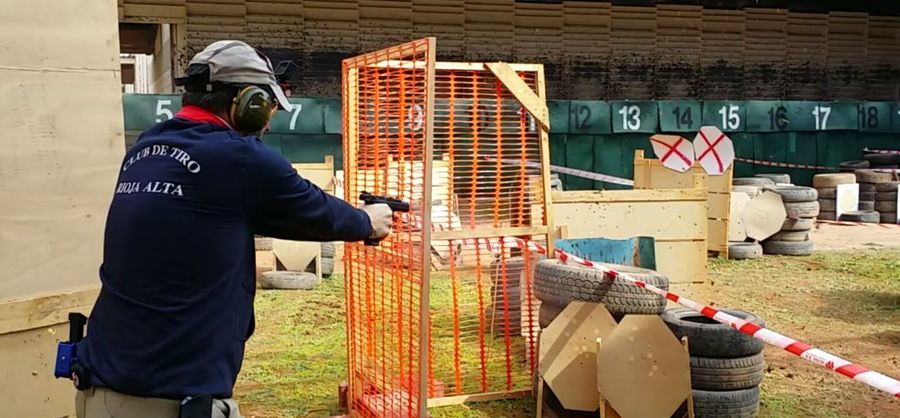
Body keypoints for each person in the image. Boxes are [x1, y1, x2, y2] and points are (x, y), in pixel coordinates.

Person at [71, 40, 393, 418]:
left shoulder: (144, 149)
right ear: (248, 104)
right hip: (165, 401)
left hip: (100, 389)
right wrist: (370, 222)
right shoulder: (239, 159)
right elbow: (317, 211)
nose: (270, 122)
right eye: (268, 107)